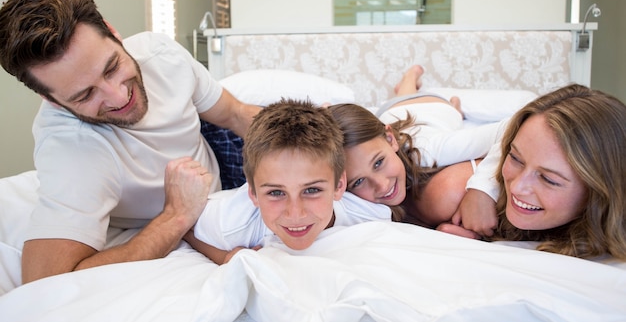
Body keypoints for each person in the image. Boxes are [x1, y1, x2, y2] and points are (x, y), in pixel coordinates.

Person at [0, 0, 260, 283]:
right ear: (51, 99)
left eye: (111, 67)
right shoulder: (70, 149)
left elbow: (234, 113)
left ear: (112, 32)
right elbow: (48, 281)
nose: (118, 96)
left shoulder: (160, 55)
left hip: (215, 142)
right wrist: (175, 216)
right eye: (85, 95)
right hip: (195, 210)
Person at [189, 99, 391, 264]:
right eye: (276, 193)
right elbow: (187, 228)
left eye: (311, 190)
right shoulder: (233, 223)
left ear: (339, 186)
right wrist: (223, 257)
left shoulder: (370, 217)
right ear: (253, 194)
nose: (296, 213)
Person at [437, 84, 626, 260]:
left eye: (548, 179)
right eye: (515, 158)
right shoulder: (454, 189)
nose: (517, 187)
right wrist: (480, 189)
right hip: (426, 121)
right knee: (436, 120)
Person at [328, 65, 504, 228]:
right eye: (358, 181)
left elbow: (508, 130)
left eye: (378, 162)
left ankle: (412, 79)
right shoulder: (355, 176)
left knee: (451, 120)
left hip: (430, 107)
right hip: (389, 116)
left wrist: (482, 190)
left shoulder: (429, 150)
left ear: (391, 140)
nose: (382, 186)